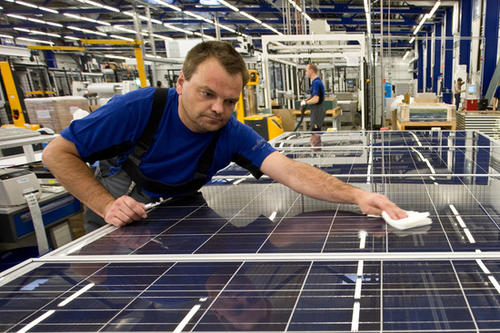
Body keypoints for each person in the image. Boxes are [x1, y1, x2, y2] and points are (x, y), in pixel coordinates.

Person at [42, 41, 406, 232]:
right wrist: (106, 205)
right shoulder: (138, 108)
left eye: (230, 100)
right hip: (120, 209)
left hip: (178, 208)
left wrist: (358, 195)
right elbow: (57, 154)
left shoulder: (231, 132)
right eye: (207, 94)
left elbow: (293, 172)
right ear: (181, 83)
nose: (219, 108)